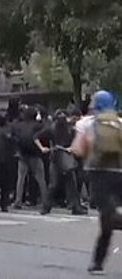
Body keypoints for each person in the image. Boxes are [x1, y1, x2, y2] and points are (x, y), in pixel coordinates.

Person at [71, 90, 122, 275]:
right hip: (120, 174)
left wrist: (78, 150)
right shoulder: (119, 122)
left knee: (108, 219)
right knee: (106, 221)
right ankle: (97, 263)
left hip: (99, 175)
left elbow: (78, 149)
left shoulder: (87, 123)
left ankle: (97, 263)